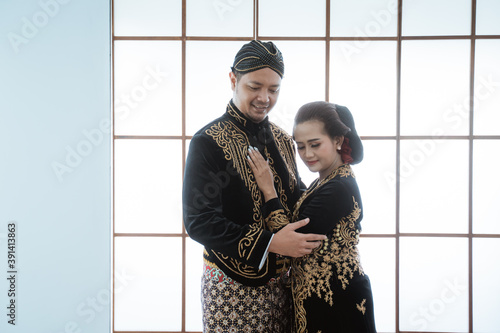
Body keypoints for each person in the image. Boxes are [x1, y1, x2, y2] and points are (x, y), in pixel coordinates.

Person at [182, 40, 327, 333]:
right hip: (231, 290)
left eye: (274, 90)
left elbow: (295, 199)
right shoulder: (207, 142)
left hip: (284, 286)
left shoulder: (284, 139)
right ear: (233, 79)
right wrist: (271, 242)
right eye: (254, 87)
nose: (265, 97)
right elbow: (199, 221)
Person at [248, 101, 377, 332]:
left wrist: (268, 189)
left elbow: (292, 240)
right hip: (318, 299)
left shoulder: (339, 187)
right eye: (300, 147)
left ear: (338, 140)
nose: (307, 154)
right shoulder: (326, 180)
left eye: (315, 144)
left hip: (337, 300)